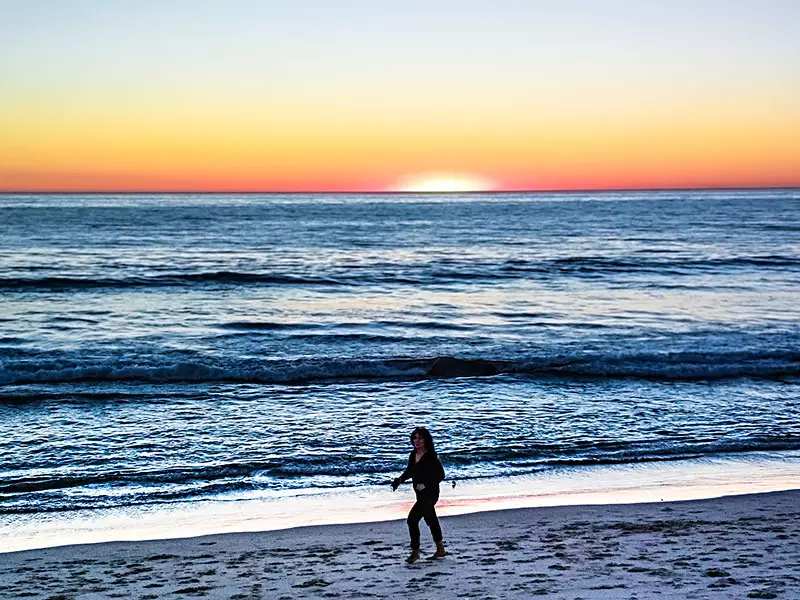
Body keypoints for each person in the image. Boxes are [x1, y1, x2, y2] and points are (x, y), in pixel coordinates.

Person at [391, 427, 446, 563]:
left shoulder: (431, 456)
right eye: (415, 438)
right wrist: (399, 480)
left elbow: (440, 475)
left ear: (426, 440)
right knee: (431, 519)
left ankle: (415, 552)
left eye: (420, 438)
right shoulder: (413, 455)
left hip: (430, 493)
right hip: (420, 494)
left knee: (412, 520)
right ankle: (440, 549)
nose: (417, 441)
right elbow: (410, 471)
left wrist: (426, 484)